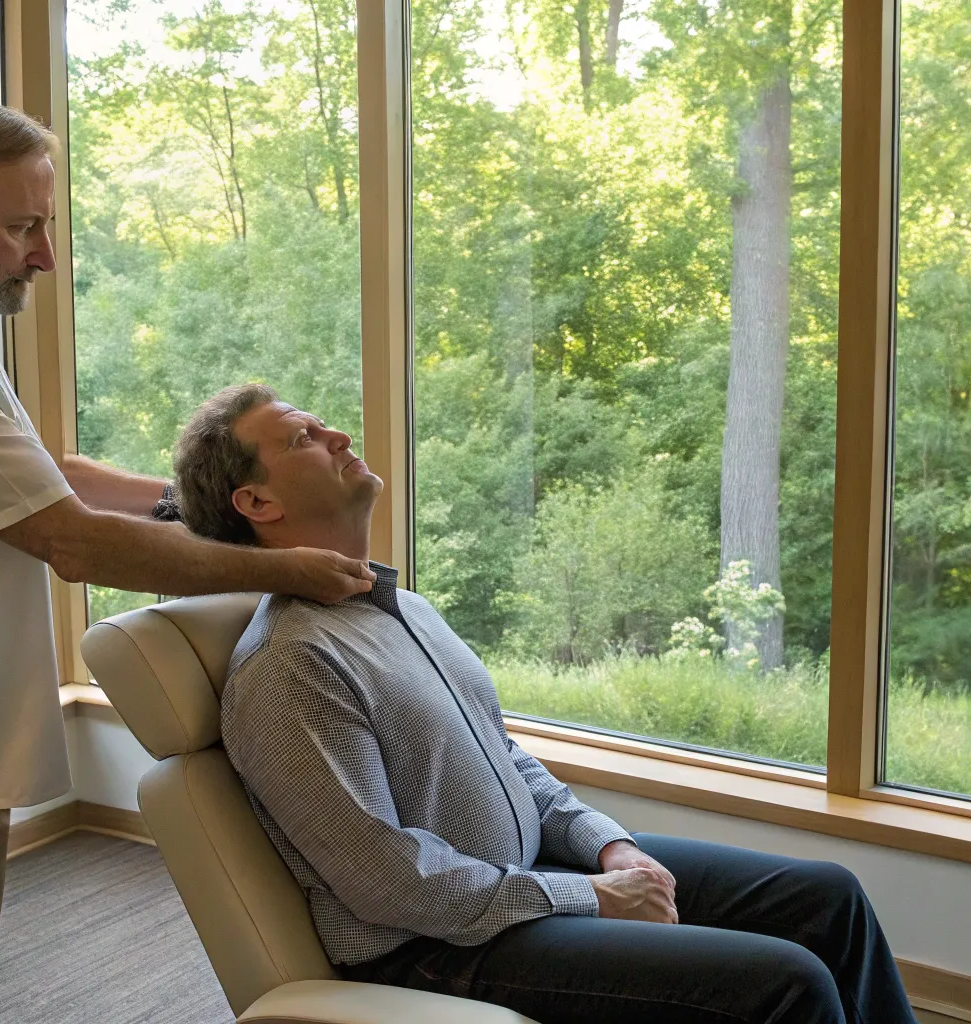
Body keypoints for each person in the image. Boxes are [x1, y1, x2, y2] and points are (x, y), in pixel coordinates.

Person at [0, 101, 373, 1024]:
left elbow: (48, 472)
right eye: (24, 227)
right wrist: (287, 568)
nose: (44, 254)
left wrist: (188, 507)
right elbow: (70, 538)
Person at [171, 383, 920, 1024]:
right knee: (788, 986)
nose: (336, 433)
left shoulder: (401, 608)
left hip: (526, 875)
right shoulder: (289, 665)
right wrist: (589, 897)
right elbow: (389, 882)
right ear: (256, 500)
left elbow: (505, 755)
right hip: (437, 946)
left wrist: (607, 845)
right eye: (303, 436)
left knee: (830, 900)